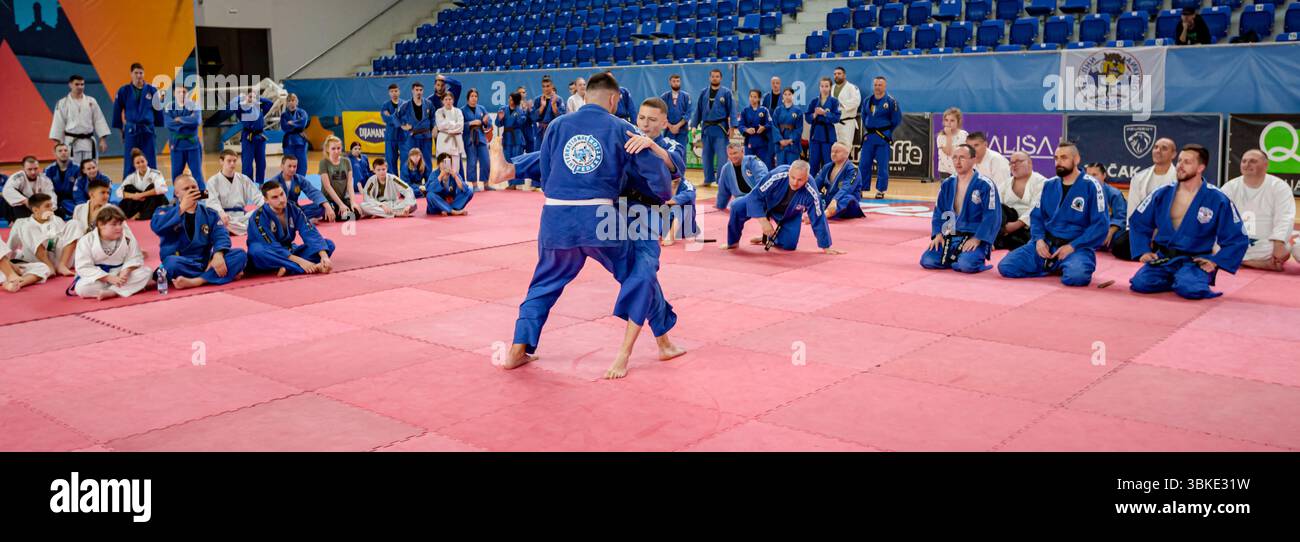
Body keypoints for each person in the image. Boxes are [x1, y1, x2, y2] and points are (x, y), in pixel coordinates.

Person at [501, 72, 683, 379]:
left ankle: (518, 348)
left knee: (544, 283)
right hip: (605, 220)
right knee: (639, 275)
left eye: (652, 120)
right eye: (642, 118)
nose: (646, 124)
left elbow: (548, 170)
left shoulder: (559, 125)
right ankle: (650, 345)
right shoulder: (623, 129)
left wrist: (515, 168)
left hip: (557, 218)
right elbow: (664, 188)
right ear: (615, 101)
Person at [1129, 144, 1249, 300]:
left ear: (1200, 167)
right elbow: (1139, 221)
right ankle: (1177, 278)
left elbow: (1237, 237)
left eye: (1187, 162)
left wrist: (1215, 261)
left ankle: (1186, 278)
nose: (1180, 165)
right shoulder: (1162, 193)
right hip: (1164, 258)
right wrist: (1143, 250)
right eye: (1179, 161)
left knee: (1191, 290)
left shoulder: (1217, 198)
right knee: (1140, 284)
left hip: (1194, 261)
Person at [997, 143, 1109, 286]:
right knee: (1006, 267)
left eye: (1064, 158)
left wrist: (1073, 246)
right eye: (1056, 158)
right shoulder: (1049, 185)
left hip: (1076, 247)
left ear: (1076, 159)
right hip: (1047, 245)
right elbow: (1036, 217)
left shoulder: (1092, 186)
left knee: (1076, 277)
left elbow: (1100, 225)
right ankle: (1053, 265)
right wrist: (1039, 241)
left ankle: (1060, 264)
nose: (1058, 162)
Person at [722, 161, 845, 254]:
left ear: (807, 178)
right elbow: (755, 196)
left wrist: (826, 246)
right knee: (737, 206)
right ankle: (732, 243)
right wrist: (763, 221)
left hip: (789, 214)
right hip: (765, 203)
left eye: (800, 180)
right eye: (792, 177)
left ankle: (769, 237)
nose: (795, 182)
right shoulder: (778, 175)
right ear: (789, 173)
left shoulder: (811, 190)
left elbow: (818, 217)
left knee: (789, 245)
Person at [150, 175, 248, 290]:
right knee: (170, 264)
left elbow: (221, 235)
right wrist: (181, 208)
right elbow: (157, 227)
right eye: (186, 189)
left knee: (240, 254)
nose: (191, 190)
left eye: (194, 187)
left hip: (206, 262)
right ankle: (215, 276)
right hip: (181, 262)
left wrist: (218, 254)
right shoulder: (165, 210)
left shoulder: (210, 213)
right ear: (176, 193)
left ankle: (196, 281)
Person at [921, 144, 1001, 273]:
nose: (957, 162)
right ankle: (955, 258)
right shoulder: (947, 184)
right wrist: (938, 234)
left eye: (962, 158)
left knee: (966, 265)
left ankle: (968, 260)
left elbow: (992, 216)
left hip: (973, 236)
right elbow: (939, 211)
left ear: (973, 160)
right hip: (950, 235)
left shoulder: (985, 184)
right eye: (955, 158)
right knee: (927, 261)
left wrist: (978, 238)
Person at [1220, 149, 1296, 271]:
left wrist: (1279, 243)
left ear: (1266, 165)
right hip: (1239, 240)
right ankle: (1255, 262)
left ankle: (1240, 260)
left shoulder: (1279, 187)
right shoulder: (1230, 187)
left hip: (1268, 242)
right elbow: (1220, 218)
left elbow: (1284, 217)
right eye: (1244, 161)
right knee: (1212, 244)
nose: (1247, 164)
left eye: (1253, 161)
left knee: (1292, 248)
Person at [246, 180, 337, 277]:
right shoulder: (258, 217)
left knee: (328, 245)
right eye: (275, 197)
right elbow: (271, 247)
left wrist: (324, 257)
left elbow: (309, 232)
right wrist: (301, 262)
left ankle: (287, 267)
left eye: (282, 194)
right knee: (256, 251)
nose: (281, 199)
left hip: (289, 251)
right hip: (270, 253)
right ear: (266, 200)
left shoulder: (293, 209)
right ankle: (303, 267)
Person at [72, 205, 152, 300]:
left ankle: (112, 291)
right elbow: (84, 266)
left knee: (146, 272)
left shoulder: (127, 238)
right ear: (101, 224)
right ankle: (122, 289)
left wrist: (125, 271)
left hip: (121, 274)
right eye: (114, 224)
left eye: (120, 223)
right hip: (100, 278)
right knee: (81, 288)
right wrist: (108, 278)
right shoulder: (86, 240)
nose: (119, 228)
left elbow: (135, 257)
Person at [110, 63, 164, 178]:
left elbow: (158, 110)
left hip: (147, 130)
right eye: (136, 73)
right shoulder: (123, 91)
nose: (139, 75)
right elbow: (117, 111)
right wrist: (121, 131)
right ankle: (128, 188)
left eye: (141, 73)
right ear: (131, 74)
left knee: (150, 159)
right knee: (130, 160)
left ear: (144, 74)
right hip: (131, 130)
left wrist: (157, 124)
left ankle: (153, 186)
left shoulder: (152, 90)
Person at [8, 194, 77, 278]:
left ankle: (62, 266)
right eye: (47, 206)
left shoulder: (57, 220)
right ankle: (49, 267)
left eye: (51, 205)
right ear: (35, 210)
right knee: (27, 226)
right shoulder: (21, 223)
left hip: (59, 259)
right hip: (39, 263)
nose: (51, 209)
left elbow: (63, 241)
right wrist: (6, 264)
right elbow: (11, 246)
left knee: (74, 223)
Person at [49, 74, 110, 165]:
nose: (80, 87)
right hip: (70, 142)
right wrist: (58, 143)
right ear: (70, 85)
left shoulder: (91, 101)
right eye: (77, 84)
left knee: (91, 168)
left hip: (88, 142)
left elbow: (99, 120)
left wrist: (102, 139)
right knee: (72, 168)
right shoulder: (62, 103)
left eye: (82, 84)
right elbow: (58, 123)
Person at [692, 68, 736, 187]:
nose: (715, 78)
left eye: (717, 76)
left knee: (722, 157)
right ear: (709, 78)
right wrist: (694, 126)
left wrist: (732, 127)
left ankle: (721, 181)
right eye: (713, 76)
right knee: (706, 156)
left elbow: (732, 110)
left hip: (720, 129)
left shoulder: (726, 92)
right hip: (706, 129)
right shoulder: (704, 92)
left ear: (720, 78)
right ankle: (708, 179)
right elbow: (698, 110)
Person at [205, 149, 264, 236]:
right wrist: (220, 212)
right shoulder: (212, 181)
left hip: (242, 217)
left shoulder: (244, 179)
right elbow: (210, 202)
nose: (232, 164)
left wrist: (265, 205)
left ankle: (232, 230)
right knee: (213, 219)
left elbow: (257, 196)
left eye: (234, 161)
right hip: (224, 217)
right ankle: (247, 228)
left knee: (263, 211)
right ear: (221, 161)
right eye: (229, 161)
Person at [860, 76, 901, 199]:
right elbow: (863, 116)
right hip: (869, 137)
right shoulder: (867, 100)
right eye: (876, 85)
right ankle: (860, 188)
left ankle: (880, 190)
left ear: (885, 86)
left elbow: (896, 120)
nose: (877, 87)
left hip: (883, 138)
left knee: (882, 165)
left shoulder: (891, 101)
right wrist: (869, 128)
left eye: (880, 85)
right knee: (863, 164)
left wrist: (887, 132)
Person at [995, 151, 1045, 250]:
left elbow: (1036, 208)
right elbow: (997, 206)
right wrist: (1004, 227)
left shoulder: (1042, 182)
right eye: (1011, 163)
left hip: (1028, 226)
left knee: (1020, 241)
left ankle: (996, 240)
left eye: (1018, 162)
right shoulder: (1006, 184)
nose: (1014, 165)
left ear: (1030, 163)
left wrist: (1017, 224)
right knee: (997, 207)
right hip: (1006, 224)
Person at [229, 88, 275, 182]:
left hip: (260, 137)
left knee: (261, 162)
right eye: (250, 96)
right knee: (247, 163)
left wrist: (258, 98)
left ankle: (260, 183)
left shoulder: (260, 108)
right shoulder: (241, 109)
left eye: (254, 97)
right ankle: (247, 184)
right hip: (248, 138)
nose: (252, 99)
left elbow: (270, 103)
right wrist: (241, 97)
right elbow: (232, 104)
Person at [1085, 163, 1130, 258]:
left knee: (1120, 240)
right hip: (1091, 231)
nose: (1091, 178)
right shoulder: (1082, 193)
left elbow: (1121, 217)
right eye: (1088, 175)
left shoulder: (1114, 194)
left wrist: (1110, 231)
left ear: (1104, 175)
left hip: (1111, 232)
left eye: (1094, 175)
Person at [267, 155, 330, 221]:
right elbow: (270, 202)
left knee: (321, 207)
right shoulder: (274, 182)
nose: (292, 169)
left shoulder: (299, 179)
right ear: (282, 166)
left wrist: (326, 205)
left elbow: (312, 191)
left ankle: (300, 219)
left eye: (294, 166)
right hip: (281, 210)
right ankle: (304, 220)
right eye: (289, 166)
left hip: (296, 209)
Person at [164, 83, 204, 188]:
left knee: (197, 173)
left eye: (184, 92)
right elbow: (168, 123)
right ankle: (177, 196)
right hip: (177, 145)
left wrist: (180, 119)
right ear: (174, 93)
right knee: (176, 174)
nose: (181, 94)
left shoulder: (194, 105)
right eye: (179, 92)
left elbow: (196, 120)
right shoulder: (169, 107)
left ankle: (203, 195)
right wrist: (187, 122)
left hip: (193, 145)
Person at [814, 142, 864, 220]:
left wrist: (835, 200)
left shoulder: (853, 169)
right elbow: (815, 185)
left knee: (848, 198)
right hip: (829, 202)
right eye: (832, 151)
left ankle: (822, 216)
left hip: (846, 206)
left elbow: (847, 188)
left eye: (837, 152)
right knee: (813, 194)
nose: (833, 154)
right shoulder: (827, 167)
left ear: (847, 154)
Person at [317, 135, 361, 221]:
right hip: (329, 199)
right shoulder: (323, 163)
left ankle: (337, 214)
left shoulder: (346, 161)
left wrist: (353, 202)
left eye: (338, 148)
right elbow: (327, 187)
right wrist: (340, 205)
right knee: (332, 213)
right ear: (327, 149)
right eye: (333, 149)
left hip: (343, 198)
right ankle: (331, 213)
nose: (336, 151)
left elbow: (349, 184)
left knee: (356, 213)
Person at [116, 149, 169, 220]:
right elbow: (118, 192)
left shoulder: (155, 173)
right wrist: (134, 196)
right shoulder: (131, 177)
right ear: (134, 165)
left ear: (146, 161)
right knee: (128, 188)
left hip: (152, 202)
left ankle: (141, 215)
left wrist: (141, 195)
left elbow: (162, 189)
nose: (141, 164)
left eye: (142, 161)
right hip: (139, 203)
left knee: (153, 187)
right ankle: (137, 214)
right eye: (137, 163)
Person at [716, 142, 769, 210]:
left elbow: (763, 181)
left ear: (742, 151)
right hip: (741, 199)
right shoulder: (726, 168)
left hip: (759, 197)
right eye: (730, 154)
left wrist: (761, 199)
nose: (733, 156)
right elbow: (723, 190)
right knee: (735, 205)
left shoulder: (753, 161)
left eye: (735, 153)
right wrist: (720, 206)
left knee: (735, 204)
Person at [2, 157, 56, 223]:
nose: (33, 172)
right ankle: (12, 221)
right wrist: (25, 201)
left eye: (35, 169)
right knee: (9, 196)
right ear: (23, 169)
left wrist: (51, 209)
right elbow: (7, 191)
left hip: (36, 207)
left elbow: (51, 195)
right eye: (29, 169)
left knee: (56, 213)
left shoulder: (44, 179)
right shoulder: (17, 177)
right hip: (21, 206)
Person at [396, 82, 435, 171]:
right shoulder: (406, 105)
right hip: (412, 136)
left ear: (423, 91)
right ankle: (409, 181)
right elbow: (396, 117)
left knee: (426, 159)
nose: (419, 92)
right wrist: (403, 126)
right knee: (410, 159)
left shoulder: (428, 104)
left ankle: (428, 180)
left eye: (420, 90)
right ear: (412, 91)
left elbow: (433, 117)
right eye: (416, 90)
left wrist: (435, 127)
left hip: (426, 136)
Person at [805, 77, 841, 175]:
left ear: (830, 87)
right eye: (822, 86)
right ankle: (813, 186)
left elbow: (837, 118)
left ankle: (829, 187)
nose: (824, 88)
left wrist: (825, 113)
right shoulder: (814, 101)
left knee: (828, 162)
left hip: (828, 136)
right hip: (815, 136)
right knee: (814, 162)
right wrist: (815, 115)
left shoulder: (834, 102)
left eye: (826, 86)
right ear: (819, 87)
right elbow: (808, 118)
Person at [462, 88, 493, 191]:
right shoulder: (462, 110)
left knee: (486, 161)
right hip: (470, 138)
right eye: (472, 96)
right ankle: (474, 185)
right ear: (468, 98)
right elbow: (460, 125)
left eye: (475, 96)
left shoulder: (482, 108)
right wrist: (471, 123)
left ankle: (486, 184)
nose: (474, 98)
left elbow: (489, 122)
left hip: (481, 137)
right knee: (471, 162)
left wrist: (484, 122)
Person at [831, 67, 862, 159]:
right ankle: (835, 170)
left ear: (844, 75)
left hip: (847, 122)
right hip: (834, 122)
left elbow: (856, 101)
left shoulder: (852, 87)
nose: (836, 75)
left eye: (839, 73)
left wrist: (841, 105)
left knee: (846, 148)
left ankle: (844, 169)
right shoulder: (832, 88)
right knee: (834, 148)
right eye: (835, 74)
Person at [43, 143, 80, 220]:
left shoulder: (78, 168)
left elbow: (80, 189)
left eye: (65, 150)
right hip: (55, 201)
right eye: (60, 151)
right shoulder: (48, 170)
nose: (63, 153)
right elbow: (47, 189)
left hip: (73, 200)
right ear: (55, 153)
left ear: (69, 152)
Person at [738, 90, 772, 165]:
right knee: (749, 165)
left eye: (755, 97)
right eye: (751, 96)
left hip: (762, 142)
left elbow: (770, 123)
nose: (752, 99)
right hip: (750, 141)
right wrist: (746, 130)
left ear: (759, 99)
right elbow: (740, 125)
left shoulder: (764, 110)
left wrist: (764, 127)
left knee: (765, 164)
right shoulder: (745, 110)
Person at [772, 88, 803, 167]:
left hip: (792, 144)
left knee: (792, 167)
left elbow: (799, 128)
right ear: (783, 96)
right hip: (780, 145)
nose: (787, 96)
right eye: (785, 94)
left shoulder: (797, 110)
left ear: (793, 96)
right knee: (780, 168)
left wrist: (790, 139)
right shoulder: (778, 110)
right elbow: (774, 126)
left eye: (789, 94)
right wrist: (780, 140)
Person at [660, 74, 692, 151]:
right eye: (673, 81)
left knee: (681, 152)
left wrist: (677, 126)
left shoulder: (686, 96)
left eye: (678, 81)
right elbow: (661, 114)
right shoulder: (664, 97)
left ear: (680, 82)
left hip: (682, 130)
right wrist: (670, 126)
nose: (676, 83)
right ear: (670, 82)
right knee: (669, 152)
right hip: (668, 130)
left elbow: (688, 113)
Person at [532, 76, 567, 143]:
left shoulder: (558, 99)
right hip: (541, 131)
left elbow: (562, 117)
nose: (545, 88)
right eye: (543, 86)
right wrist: (542, 106)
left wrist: (554, 105)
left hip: (554, 130)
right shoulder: (537, 100)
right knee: (539, 152)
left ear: (552, 86)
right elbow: (533, 117)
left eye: (548, 86)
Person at [280, 94, 310, 171]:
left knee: (302, 163)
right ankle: (289, 180)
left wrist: (292, 123)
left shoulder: (302, 112)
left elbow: (303, 123)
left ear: (296, 102)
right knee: (289, 163)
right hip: (288, 141)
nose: (291, 102)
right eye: (289, 101)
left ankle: (300, 180)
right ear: (286, 103)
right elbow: (285, 127)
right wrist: (296, 124)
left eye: (293, 100)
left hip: (301, 140)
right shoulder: (284, 115)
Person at [936, 107, 968, 180]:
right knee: (947, 191)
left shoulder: (964, 135)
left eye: (952, 120)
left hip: (959, 170)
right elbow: (948, 152)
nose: (949, 123)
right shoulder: (941, 137)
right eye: (946, 120)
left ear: (958, 121)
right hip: (945, 171)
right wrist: (949, 135)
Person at [381, 84, 406, 175]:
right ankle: (393, 181)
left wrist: (391, 116)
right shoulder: (385, 105)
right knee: (390, 160)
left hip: (403, 137)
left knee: (405, 159)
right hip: (390, 137)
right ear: (389, 93)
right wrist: (397, 119)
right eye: (392, 91)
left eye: (396, 91)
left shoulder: (404, 104)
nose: (394, 93)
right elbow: (385, 119)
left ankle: (404, 181)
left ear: (399, 91)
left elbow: (405, 118)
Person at [761, 76, 784, 167]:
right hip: (769, 130)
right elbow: (762, 112)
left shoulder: (784, 96)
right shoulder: (766, 97)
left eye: (777, 83)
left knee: (780, 154)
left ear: (780, 84)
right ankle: (769, 174)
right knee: (769, 154)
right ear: (771, 84)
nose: (775, 85)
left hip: (780, 129)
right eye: (773, 83)